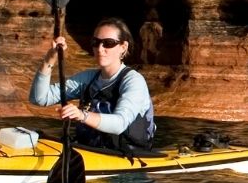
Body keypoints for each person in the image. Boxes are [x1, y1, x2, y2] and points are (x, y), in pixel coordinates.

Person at [30, 17, 156, 153]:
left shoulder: (133, 81)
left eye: (108, 43)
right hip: (90, 152)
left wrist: (81, 115)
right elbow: (40, 98)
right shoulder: (88, 78)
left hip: (128, 158)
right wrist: (51, 58)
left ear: (123, 47)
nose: (100, 49)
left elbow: (120, 124)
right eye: (96, 42)